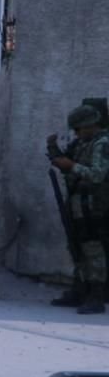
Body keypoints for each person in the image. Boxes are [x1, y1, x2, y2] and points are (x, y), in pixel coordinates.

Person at [47, 105, 109, 314]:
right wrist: (54, 150)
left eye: (79, 128)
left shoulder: (102, 143)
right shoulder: (82, 142)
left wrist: (71, 166)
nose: (76, 133)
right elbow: (65, 162)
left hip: (96, 206)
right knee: (77, 248)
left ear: (91, 125)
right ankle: (80, 289)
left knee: (94, 251)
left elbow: (98, 174)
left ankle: (97, 295)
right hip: (78, 204)